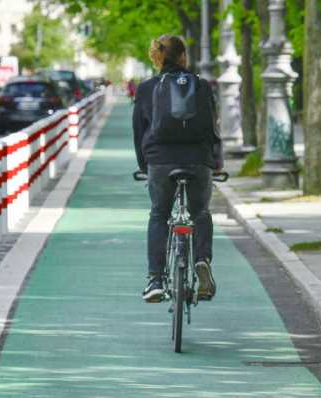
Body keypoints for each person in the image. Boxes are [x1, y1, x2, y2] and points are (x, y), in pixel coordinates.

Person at [132, 34, 224, 303]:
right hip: (198, 160)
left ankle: (156, 280)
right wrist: (215, 164)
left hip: (160, 161)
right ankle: (203, 260)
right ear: (183, 57)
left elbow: (139, 132)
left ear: (156, 57)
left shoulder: (147, 88)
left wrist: (145, 165)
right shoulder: (202, 86)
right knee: (201, 213)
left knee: (159, 214)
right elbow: (212, 129)